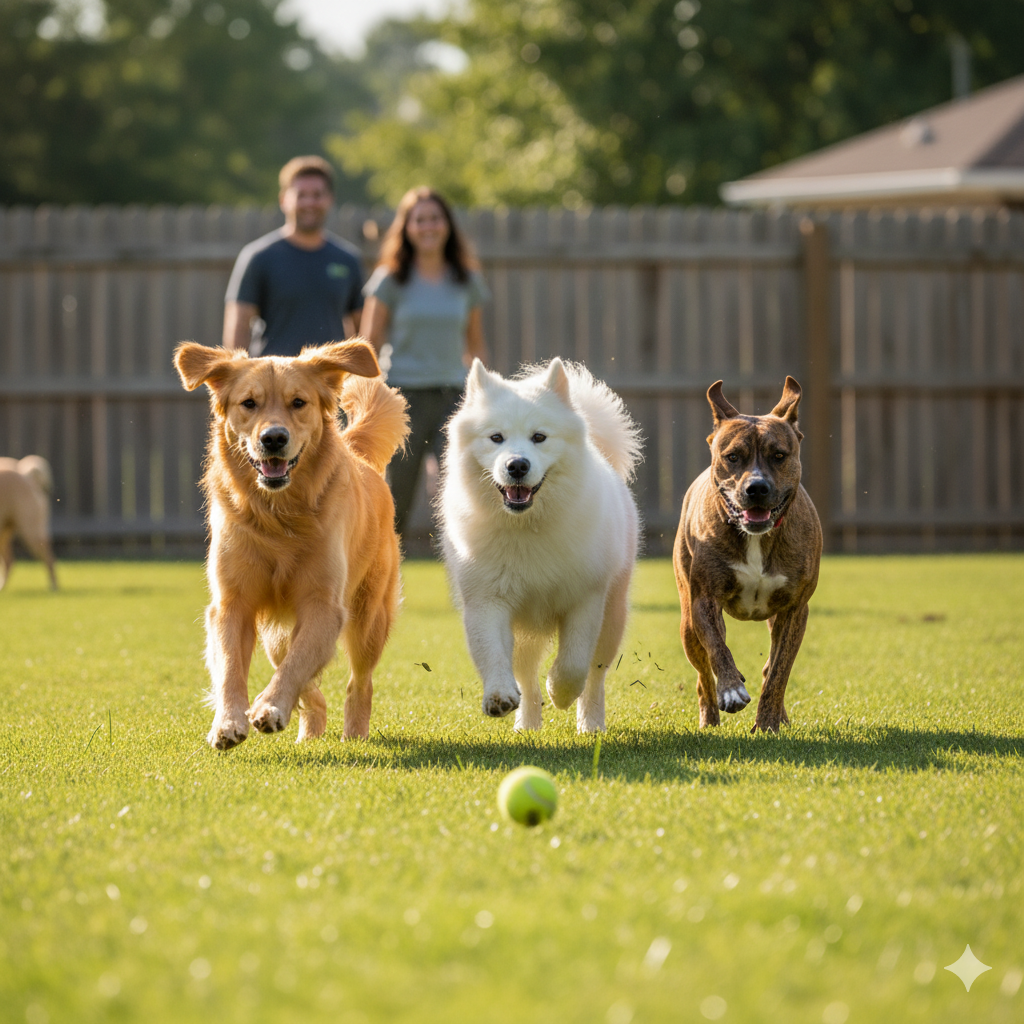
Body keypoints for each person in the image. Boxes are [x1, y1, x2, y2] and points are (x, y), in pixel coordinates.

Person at [361, 187, 489, 535]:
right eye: (420, 220)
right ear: (407, 228)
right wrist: (367, 400)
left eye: (435, 218)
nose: (428, 226)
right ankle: (378, 580)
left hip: (454, 398)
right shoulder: (389, 280)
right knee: (394, 498)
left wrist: (485, 399)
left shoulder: (467, 281)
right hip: (403, 398)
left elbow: (475, 347)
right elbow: (368, 345)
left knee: (464, 493)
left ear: (447, 225)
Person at [223, 156, 364, 355]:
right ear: (284, 200)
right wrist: (236, 378)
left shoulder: (348, 260)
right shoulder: (259, 256)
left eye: (317, 195)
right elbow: (238, 326)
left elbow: (361, 331)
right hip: (274, 382)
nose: (309, 202)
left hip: (330, 382)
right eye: (301, 195)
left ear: (330, 199)